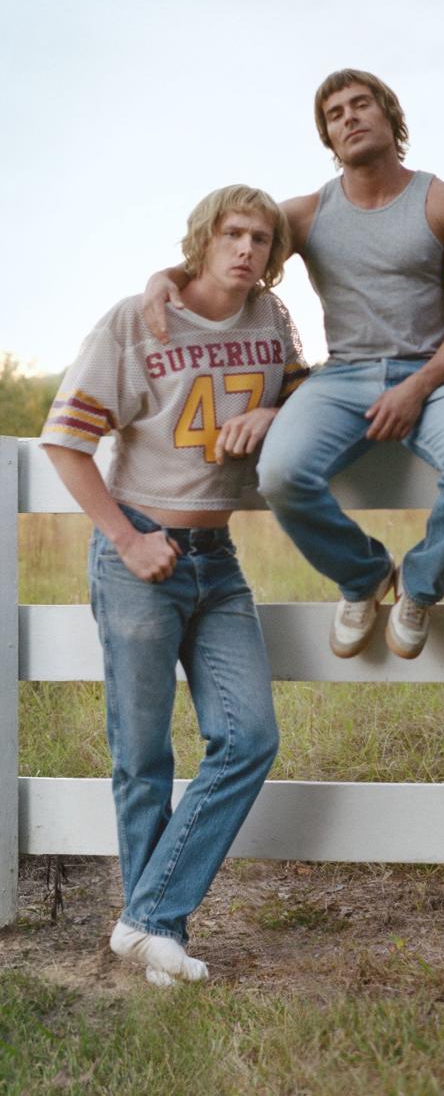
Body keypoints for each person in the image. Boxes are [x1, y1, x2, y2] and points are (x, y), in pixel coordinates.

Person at [145, 70, 444, 660]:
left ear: (390, 116)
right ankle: (365, 575)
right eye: (334, 114)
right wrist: (166, 277)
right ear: (329, 138)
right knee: (281, 475)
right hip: (342, 377)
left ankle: (418, 584)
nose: (349, 117)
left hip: (436, 375)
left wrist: (416, 388)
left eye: (360, 105)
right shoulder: (309, 214)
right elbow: (231, 248)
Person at [42, 185, 308, 985]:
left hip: (217, 559)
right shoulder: (139, 317)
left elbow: (302, 388)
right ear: (201, 240)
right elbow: (65, 440)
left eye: (261, 238)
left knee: (250, 735)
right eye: (232, 233)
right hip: (139, 557)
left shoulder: (272, 320)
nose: (247, 249)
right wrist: (126, 538)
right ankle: (162, 935)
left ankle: (145, 916)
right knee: (143, 755)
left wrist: (277, 412)